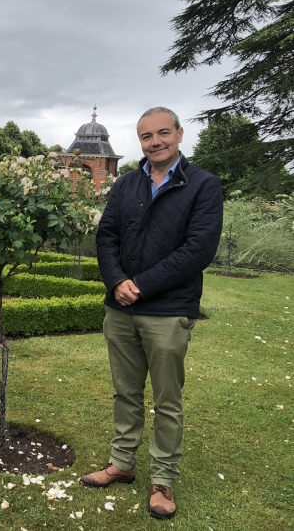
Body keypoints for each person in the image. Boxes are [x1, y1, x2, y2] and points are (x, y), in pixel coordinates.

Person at [80, 107, 223, 520]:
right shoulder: (126, 184)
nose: (155, 141)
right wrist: (116, 281)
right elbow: (106, 236)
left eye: (163, 133)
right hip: (120, 307)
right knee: (125, 392)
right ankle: (122, 463)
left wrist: (139, 285)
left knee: (167, 399)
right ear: (139, 141)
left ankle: (163, 479)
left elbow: (198, 250)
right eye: (146, 136)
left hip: (167, 309)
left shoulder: (202, 186)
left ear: (179, 134)